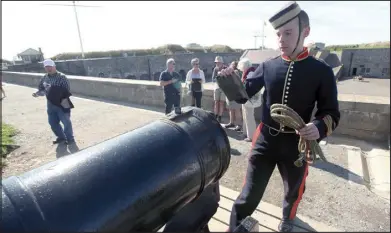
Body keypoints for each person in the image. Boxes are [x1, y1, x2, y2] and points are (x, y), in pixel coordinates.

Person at [218, 2, 340, 232]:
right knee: (249, 192)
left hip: (297, 144)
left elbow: (331, 113)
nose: (281, 40)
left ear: (305, 32)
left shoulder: (321, 71)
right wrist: (229, 81)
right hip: (265, 139)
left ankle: (287, 218)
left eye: (288, 33)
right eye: (278, 34)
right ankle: (234, 228)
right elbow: (244, 96)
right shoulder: (268, 66)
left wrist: (318, 127)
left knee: (294, 189)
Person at [32, 59, 75, 145]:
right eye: (46, 67)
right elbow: (42, 89)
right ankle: (61, 137)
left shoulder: (62, 77)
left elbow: (66, 90)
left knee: (66, 122)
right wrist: (38, 93)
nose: (48, 68)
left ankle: (70, 139)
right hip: (50, 103)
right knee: (52, 122)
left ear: (54, 66)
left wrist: (55, 92)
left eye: (50, 67)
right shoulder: (45, 77)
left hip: (62, 102)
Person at [237, 58, 261, 142]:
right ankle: (245, 133)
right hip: (245, 99)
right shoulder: (248, 72)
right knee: (245, 116)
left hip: (249, 99)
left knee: (249, 117)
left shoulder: (250, 73)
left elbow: (249, 86)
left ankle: (251, 136)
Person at [223, 61, 243, 131]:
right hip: (229, 93)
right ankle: (231, 123)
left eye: (232, 65)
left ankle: (239, 125)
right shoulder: (229, 72)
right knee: (231, 109)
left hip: (235, 94)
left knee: (237, 110)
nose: (230, 66)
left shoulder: (236, 72)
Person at [211, 56, 227, 122]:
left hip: (223, 88)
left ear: (221, 62)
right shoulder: (215, 69)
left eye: (218, 62)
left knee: (221, 103)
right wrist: (218, 76)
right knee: (216, 102)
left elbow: (228, 79)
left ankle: (220, 116)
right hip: (217, 87)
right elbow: (213, 79)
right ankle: (216, 116)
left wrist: (223, 76)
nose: (217, 64)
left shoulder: (226, 68)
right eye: (216, 62)